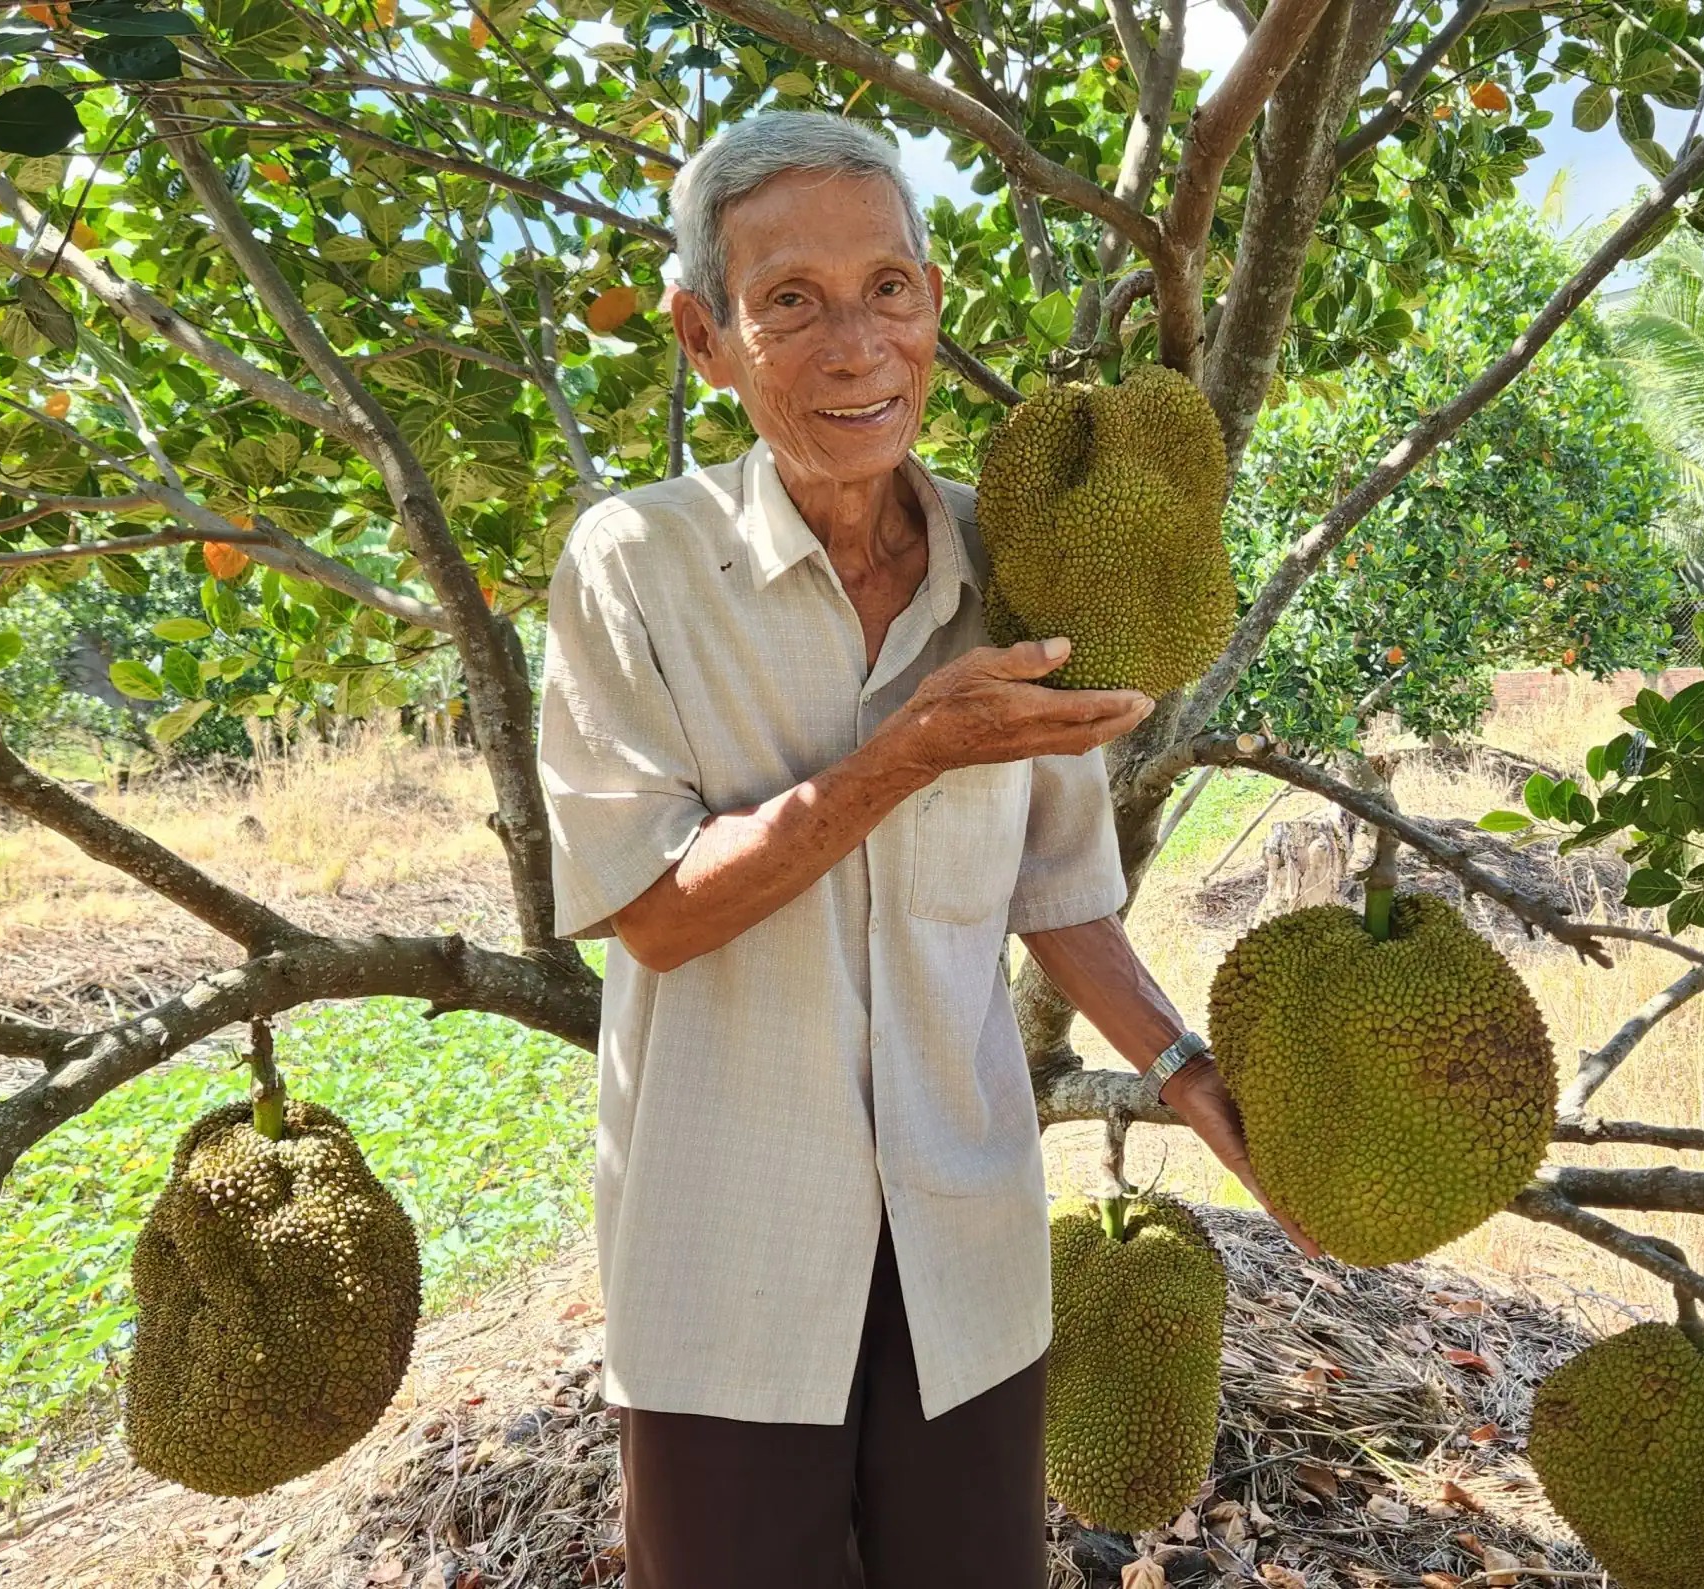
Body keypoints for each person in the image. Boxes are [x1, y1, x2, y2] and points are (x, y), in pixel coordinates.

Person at [535, 111, 1314, 1589]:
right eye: (792, 303)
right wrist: (907, 753)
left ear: (934, 305)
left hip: (965, 1253)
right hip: (728, 1266)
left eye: (887, 288)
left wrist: (1185, 1069)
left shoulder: (1013, 559)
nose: (856, 346)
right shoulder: (633, 567)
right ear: (704, 338)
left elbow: (1058, 889)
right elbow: (652, 912)